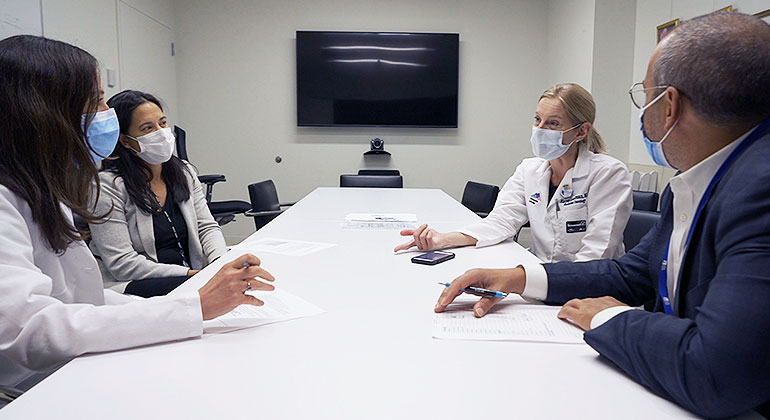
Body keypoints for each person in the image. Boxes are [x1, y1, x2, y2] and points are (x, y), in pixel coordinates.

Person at [434, 12, 770, 418]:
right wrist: (520, 277)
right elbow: (632, 274)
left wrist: (609, 316)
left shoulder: (758, 189)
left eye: (643, 97)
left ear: (669, 105)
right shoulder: (702, 178)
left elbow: (718, 372)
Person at [0, 35, 274, 397]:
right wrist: (190, 307)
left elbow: (82, 300)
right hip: (30, 390)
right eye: (96, 100)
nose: (105, 113)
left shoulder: (40, 188)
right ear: (46, 112)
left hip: (70, 368)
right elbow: (24, 331)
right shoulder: (13, 198)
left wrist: (178, 308)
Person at [395, 83, 632, 263]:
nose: (540, 130)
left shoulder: (609, 174)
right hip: (543, 276)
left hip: (593, 290)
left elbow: (598, 254)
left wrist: (540, 284)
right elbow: (501, 222)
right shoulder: (529, 170)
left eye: (553, 123)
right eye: (538, 119)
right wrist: (442, 240)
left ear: (581, 131)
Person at [88, 90, 227, 297]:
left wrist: (219, 264)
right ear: (125, 141)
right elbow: (122, 264)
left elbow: (206, 227)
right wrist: (192, 275)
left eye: (162, 123)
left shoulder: (184, 172)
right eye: (147, 128)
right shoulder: (107, 187)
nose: (160, 132)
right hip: (133, 284)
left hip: (189, 277)